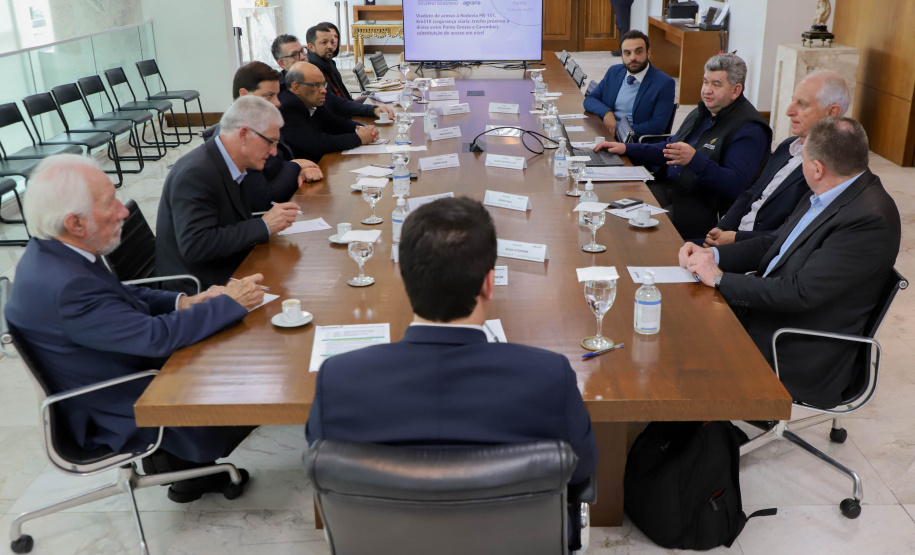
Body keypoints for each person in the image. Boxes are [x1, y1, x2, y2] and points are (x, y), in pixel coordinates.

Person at [305, 197, 598, 552]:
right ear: (489, 284)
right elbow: (581, 473)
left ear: (403, 277)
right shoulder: (549, 377)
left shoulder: (338, 379)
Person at [5, 154, 267, 502]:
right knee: (255, 367)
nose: (123, 210)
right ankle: (188, 464)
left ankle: (188, 473)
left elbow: (119, 293)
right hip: (120, 401)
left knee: (230, 340)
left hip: (114, 369)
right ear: (75, 223)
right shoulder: (66, 285)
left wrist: (184, 302)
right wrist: (230, 301)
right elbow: (156, 338)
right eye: (108, 203)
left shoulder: (56, 252)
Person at [679, 116, 901, 409]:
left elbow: (799, 293)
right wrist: (713, 256)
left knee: (680, 342)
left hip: (796, 346)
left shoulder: (868, 220)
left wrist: (719, 279)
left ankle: (695, 431)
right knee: (676, 312)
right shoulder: (830, 190)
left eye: (803, 160)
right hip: (771, 313)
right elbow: (776, 243)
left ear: (818, 168)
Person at [596, 53, 772, 239]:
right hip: (672, 189)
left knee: (632, 231)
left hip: (701, 209)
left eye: (716, 84)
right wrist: (626, 149)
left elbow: (736, 186)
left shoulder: (750, 129)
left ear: (736, 90)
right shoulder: (702, 112)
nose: (707, 90)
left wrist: (695, 160)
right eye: (705, 82)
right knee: (611, 204)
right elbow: (670, 148)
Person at [156, 95, 301, 293]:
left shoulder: (231, 163)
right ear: (244, 135)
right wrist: (264, 225)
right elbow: (196, 246)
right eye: (270, 142)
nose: (274, 152)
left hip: (226, 265)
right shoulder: (196, 174)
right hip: (200, 287)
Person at [704, 70, 849, 247]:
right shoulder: (786, 146)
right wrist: (723, 228)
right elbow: (752, 192)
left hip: (759, 253)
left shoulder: (829, 168)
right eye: (792, 100)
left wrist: (735, 239)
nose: (789, 111)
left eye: (802, 104)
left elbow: (795, 234)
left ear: (832, 112)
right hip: (733, 237)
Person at [221, 61, 323, 211]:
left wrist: (296, 169)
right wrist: (296, 166)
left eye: (277, 95)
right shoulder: (241, 137)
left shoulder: (262, 123)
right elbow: (266, 199)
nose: (277, 103)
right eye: (269, 96)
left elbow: (278, 164)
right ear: (244, 95)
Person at [273, 32, 393, 121]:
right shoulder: (284, 94)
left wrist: (373, 109)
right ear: (282, 63)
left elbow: (337, 103)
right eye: (294, 55)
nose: (302, 57)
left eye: (302, 51)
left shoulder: (313, 75)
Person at [583, 30, 676, 139]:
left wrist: (617, 129)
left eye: (638, 52)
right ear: (622, 56)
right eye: (627, 53)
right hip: (607, 135)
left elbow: (657, 126)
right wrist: (607, 113)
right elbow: (590, 99)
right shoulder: (614, 72)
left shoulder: (664, 83)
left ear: (648, 53)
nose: (633, 58)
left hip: (634, 144)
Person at [278, 61, 379, 162]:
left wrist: (362, 129)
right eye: (316, 85)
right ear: (296, 88)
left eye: (323, 84)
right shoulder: (287, 106)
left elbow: (332, 122)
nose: (324, 90)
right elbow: (315, 144)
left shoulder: (309, 98)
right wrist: (358, 138)